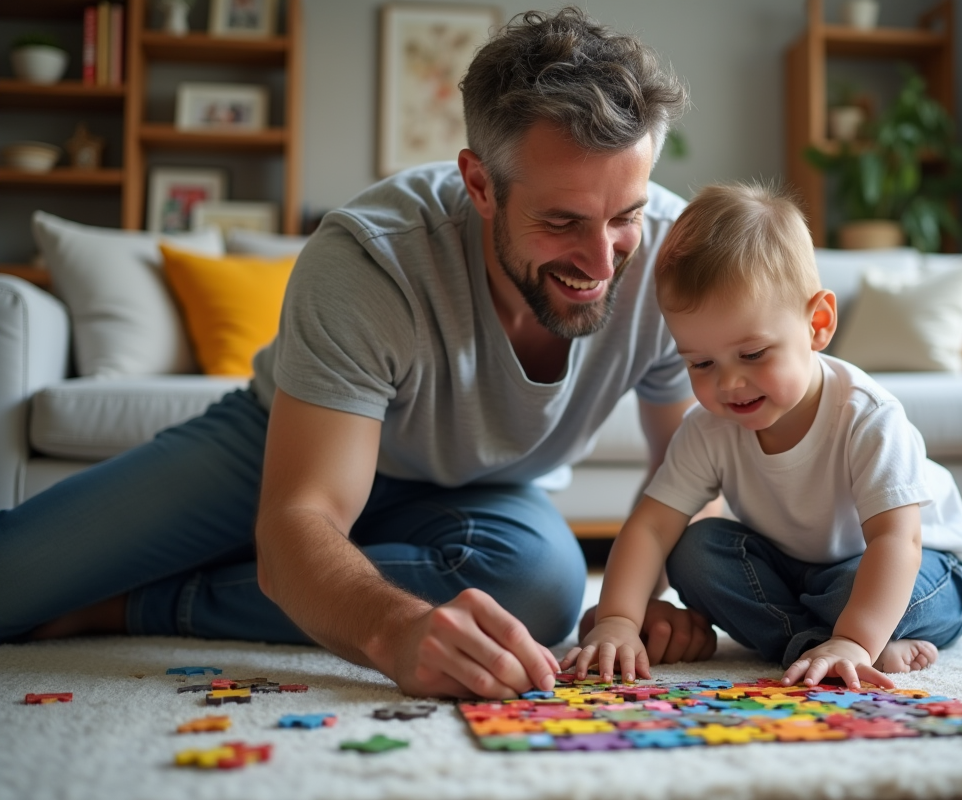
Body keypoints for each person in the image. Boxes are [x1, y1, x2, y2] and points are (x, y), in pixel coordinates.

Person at [0, 8, 717, 699]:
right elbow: (301, 517)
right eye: (562, 221)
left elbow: (693, 467)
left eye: (625, 215)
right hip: (282, 445)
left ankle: (136, 606)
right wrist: (394, 630)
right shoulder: (371, 258)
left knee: (543, 589)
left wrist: (633, 603)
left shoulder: (670, 259)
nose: (602, 260)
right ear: (479, 185)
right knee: (15, 582)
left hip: (480, 494)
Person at [563, 183, 962, 690]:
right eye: (700, 363)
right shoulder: (708, 427)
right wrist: (618, 622)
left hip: (922, 567)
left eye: (753, 354)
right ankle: (827, 644)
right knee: (694, 552)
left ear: (817, 324)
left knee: (858, 588)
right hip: (797, 574)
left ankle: (848, 644)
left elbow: (899, 540)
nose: (728, 383)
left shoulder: (866, 415)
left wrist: (855, 636)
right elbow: (651, 528)